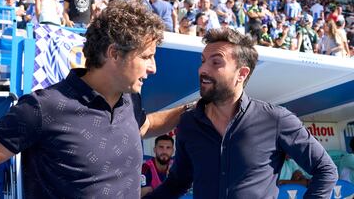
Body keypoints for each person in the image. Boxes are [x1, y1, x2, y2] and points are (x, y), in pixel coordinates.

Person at [0, 0, 191, 198]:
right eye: (147, 57)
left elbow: (146, 125)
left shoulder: (130, 100)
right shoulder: (43, 108)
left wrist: (193, 108)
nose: (153, 68)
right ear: (114, 53)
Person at [144, 27, 338, 199]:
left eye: (216, 63)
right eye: (203, 61)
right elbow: (178, 182)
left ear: (242, 74)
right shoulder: (188, 122)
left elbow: (325, 170)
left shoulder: (276, 119)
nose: (202, 69)